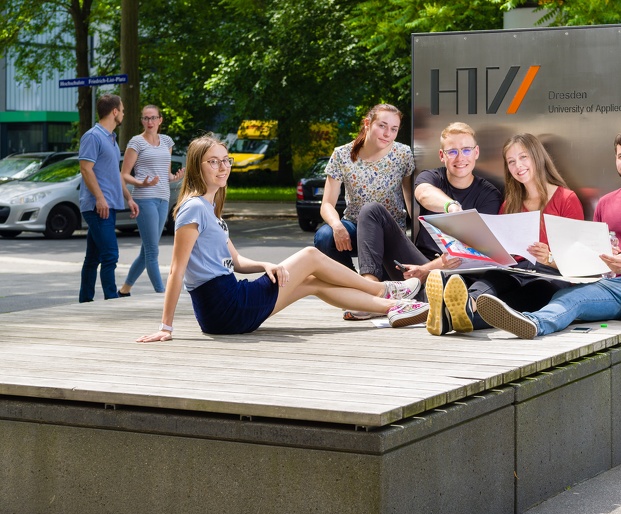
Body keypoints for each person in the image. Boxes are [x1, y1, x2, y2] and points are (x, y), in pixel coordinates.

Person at [475, 127, 621, 461]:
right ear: (616, 160)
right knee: (566, 302)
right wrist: (561, 259)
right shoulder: (605, 204)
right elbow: (590, 258)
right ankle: (530, 324)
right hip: (608, 284)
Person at [137, 135, 429, 343]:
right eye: (213, 162)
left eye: (225, 160)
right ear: (196, 166)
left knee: (311, 284)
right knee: (310, 256)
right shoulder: (193, 207)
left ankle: (395, 308)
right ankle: (382, 290)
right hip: (223, 306)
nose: (222, 167)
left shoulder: (210, 211)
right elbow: (177, 269)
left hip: (228, 307)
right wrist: (166, 326)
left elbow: (236, 261)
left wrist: (265, 264)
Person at [425, 132, 584, 335]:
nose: (518, 166)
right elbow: (498, 247)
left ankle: (447, 318)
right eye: (511, 161)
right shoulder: (510, 203)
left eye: (523, 157)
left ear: (537, 157)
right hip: (514, 269)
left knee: (531, 295)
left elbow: (577, 261)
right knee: (495, 277)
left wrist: (549, 257)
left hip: (549, 275)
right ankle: (467, 302)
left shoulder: (566, 198)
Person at [351, 121, 502, 319]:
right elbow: (423, 194)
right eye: (452, 151)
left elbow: (472, 252)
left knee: (447, 289)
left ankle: (414, 302)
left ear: (476, 152)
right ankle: (371, 297)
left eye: (466, 150)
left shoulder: (489, 195)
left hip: (452, 277)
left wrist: (427, 269)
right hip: (414, 268)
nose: (460, 158)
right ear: (442, 155)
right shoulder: (431, 177)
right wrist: (452, 207)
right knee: (372, 210)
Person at [314, 103, 415, 272]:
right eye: (382, 126)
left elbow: (410, 200)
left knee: (384, 287)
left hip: (389, 232)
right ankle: (351, 280)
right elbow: (326, 205)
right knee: (324, 236)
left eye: (393, 129)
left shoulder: (403, 154)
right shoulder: (342, 154)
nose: (387, 134)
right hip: (355, 228)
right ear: (367, 123)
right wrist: (337, 226)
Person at [118, 105, 185, 296]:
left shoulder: (167, 141)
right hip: (144, 199)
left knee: (146, 250)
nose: (150, 122)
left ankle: (124, 290)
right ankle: (162, 295)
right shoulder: (136, 142)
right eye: (146, 118)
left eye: (153, 118)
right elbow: (124, 175)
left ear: (160, 120)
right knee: (152, 251)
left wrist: (174, 177)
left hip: (163, 199)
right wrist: (141, 182)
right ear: (142, 121)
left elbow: (166, 172)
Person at [78, 94, 138, 303]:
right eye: (121, 110)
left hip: (109, 205)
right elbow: (86, 169)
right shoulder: (93, 136)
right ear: (114, 112)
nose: (122, 113)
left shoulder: (111, 140)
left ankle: (85, 301)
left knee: (93, 258)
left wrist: (128, 198)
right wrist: (100, 198)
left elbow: (114, 174)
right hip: (98, 207)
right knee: (110, 255)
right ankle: (112, 300)